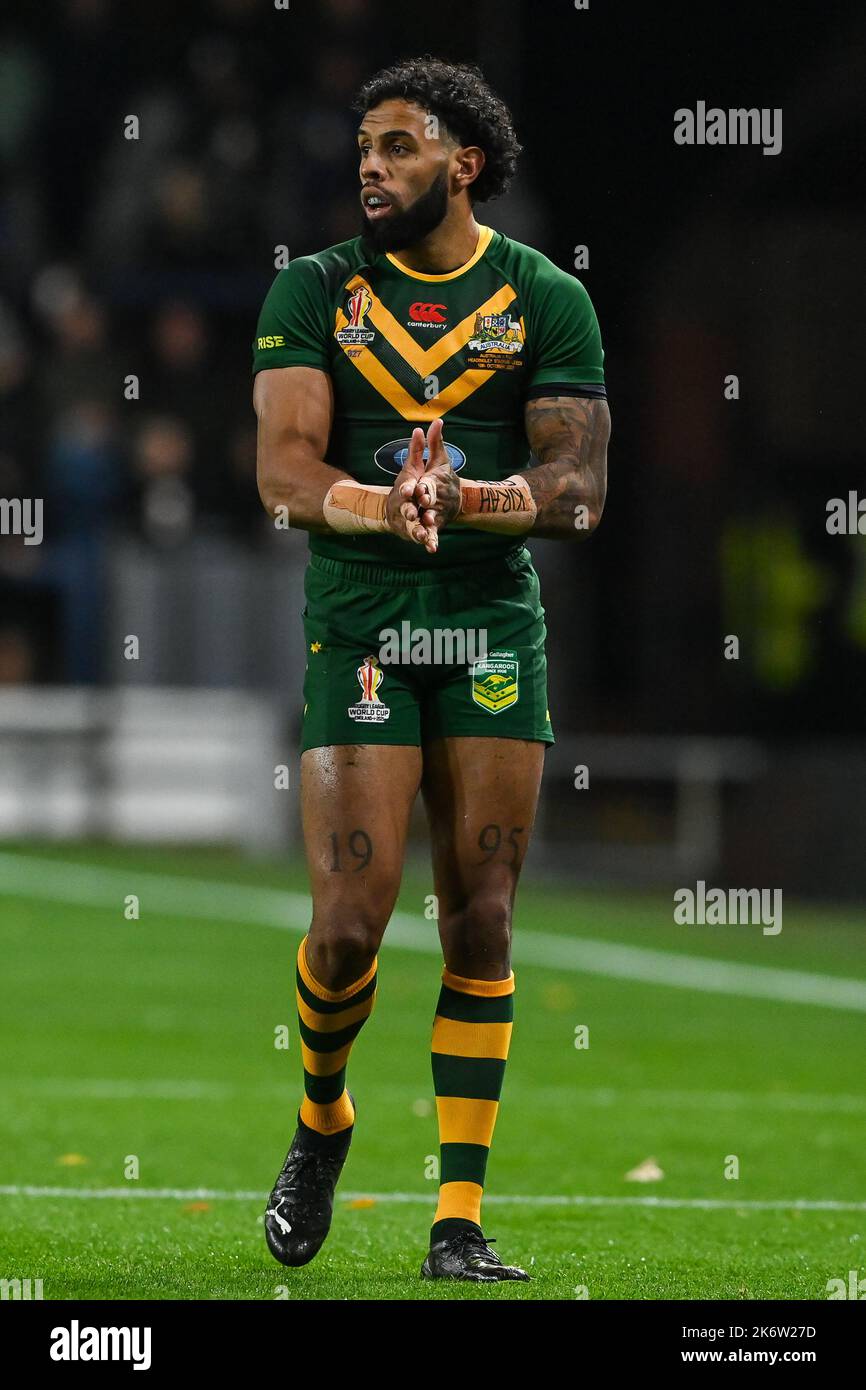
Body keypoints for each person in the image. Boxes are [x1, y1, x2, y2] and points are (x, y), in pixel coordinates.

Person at [253, 56, 609, 1283]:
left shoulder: (546, 298)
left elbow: (575, 492)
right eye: (364, 144)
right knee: (348, 926)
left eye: (398, 145)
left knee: (483, 918)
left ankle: (456, 1222)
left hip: (487, 628)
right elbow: (284, 471)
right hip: (359, 623)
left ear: (462, 162)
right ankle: (321, 1122)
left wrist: (469, 494)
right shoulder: (312, 290)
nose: (369, 163)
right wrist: (373, 499)